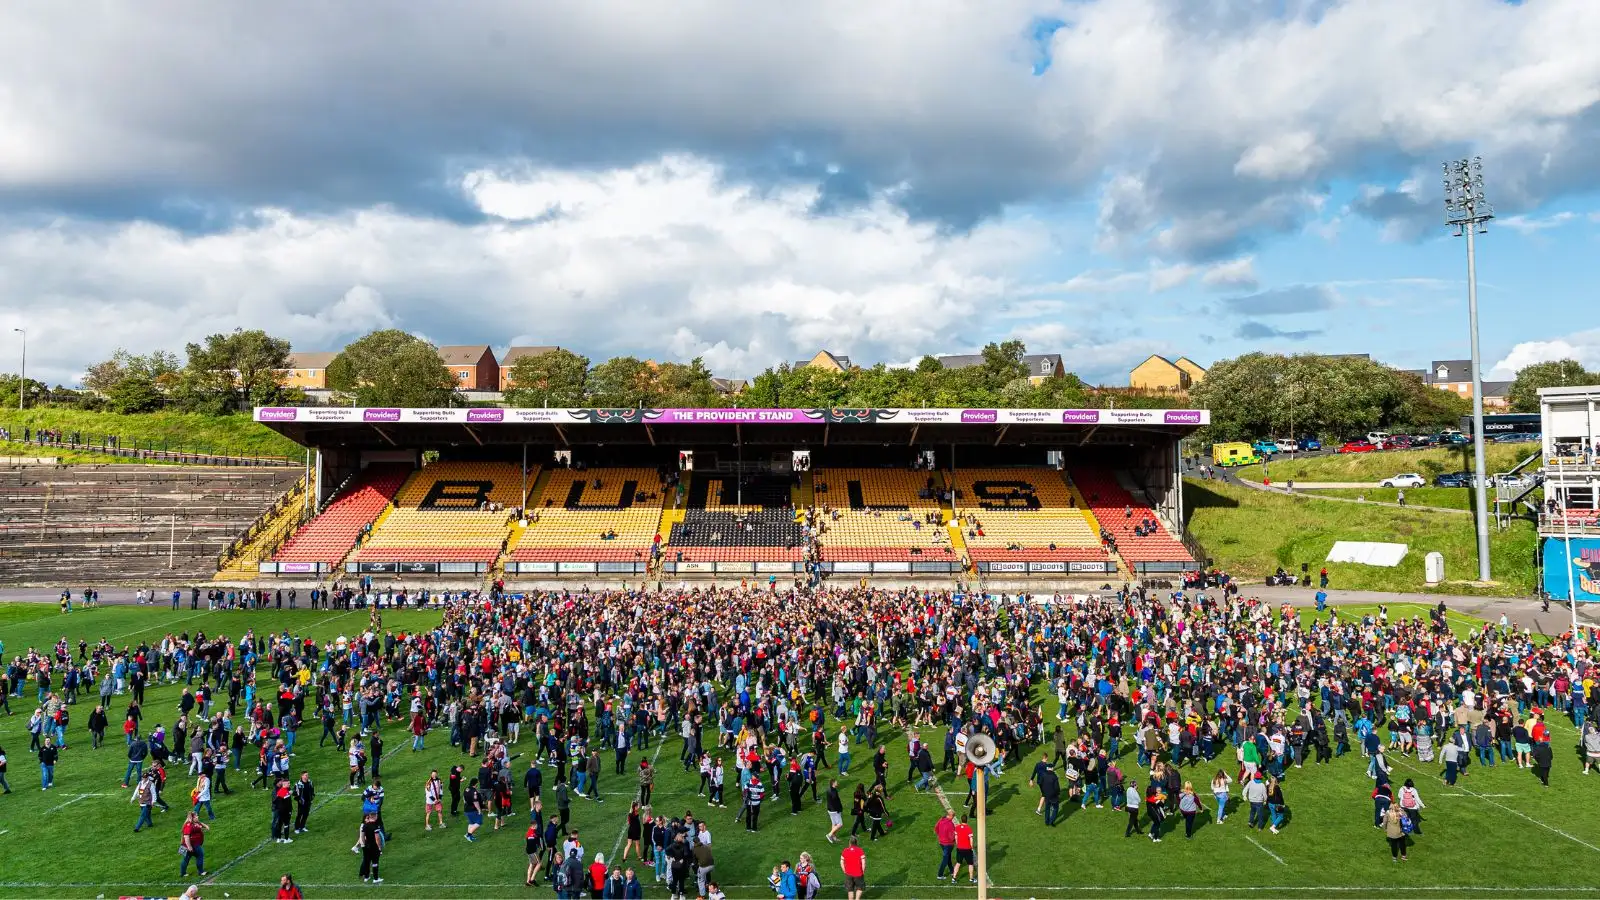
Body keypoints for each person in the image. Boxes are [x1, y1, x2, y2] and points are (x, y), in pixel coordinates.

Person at [179, 811, 209, 877]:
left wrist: (206, 826)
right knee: (200, 855)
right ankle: (201, 872)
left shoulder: (195, 823)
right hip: (192, 845)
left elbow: (200, 824)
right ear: (192, 818)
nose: (197, 817)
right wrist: (189, 847)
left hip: (192, 845)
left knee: (186, 859)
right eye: (196, 816)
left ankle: (182, 873)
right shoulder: (188, 825)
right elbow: (186, 837)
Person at [358, 811, 385, 883]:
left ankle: (366, 877)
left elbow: (362, 836)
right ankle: (376, 879)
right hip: (374, 846)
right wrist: (379, 847)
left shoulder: (365, 825)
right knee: (375, 862)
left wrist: (363, 843)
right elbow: (377, 838)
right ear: (374, 816)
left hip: (366, 845)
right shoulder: (375, 825)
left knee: (367, 861)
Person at [839, 836, 866, 900]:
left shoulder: (845, 850)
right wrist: (863, 871)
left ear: (849, 843)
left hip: (848, 873)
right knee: (860, 888)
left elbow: (841, 862)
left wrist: (844, 870)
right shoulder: (860, 850)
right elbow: (864, 863)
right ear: (856, 843)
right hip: (859, 873)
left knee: (850, 890)